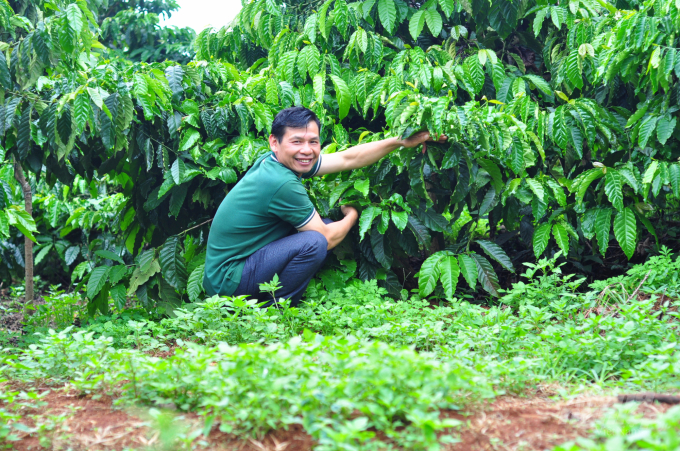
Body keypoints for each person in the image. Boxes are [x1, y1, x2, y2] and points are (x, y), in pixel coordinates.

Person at [203, 106, 445, 306]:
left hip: (230, 272)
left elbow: (348, 158)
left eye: (313, 141)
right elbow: (326, 238)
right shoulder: (280, 182)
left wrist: (400, 141)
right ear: (274, 142)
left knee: (321, 229)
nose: (306, 150)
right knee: (316, 240)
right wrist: (352, 216)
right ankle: (273, 311)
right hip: (228, 280)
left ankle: (266, 302)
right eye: (296, 141)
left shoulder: (277, 162)